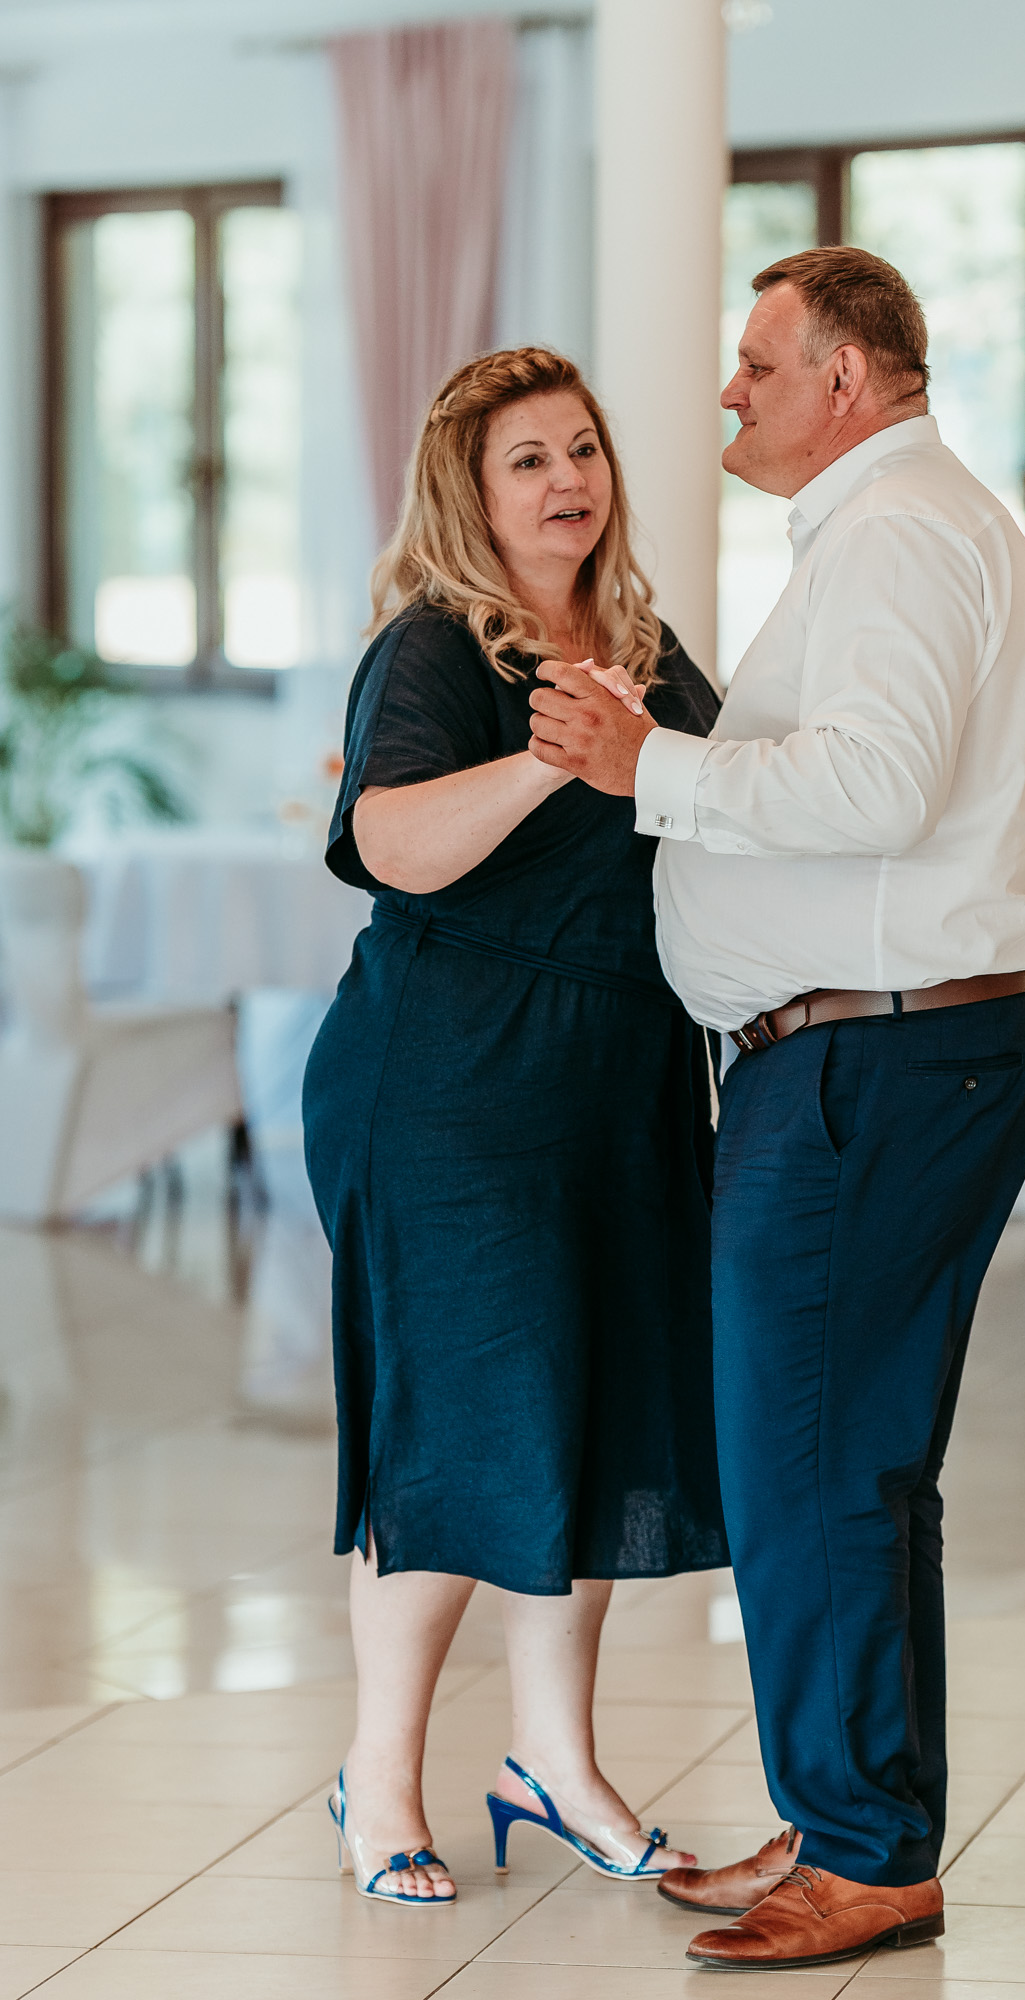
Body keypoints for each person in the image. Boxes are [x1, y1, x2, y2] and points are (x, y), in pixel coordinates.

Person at [528, 246, 1025, 1969]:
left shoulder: (897, 528)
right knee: (856, 1464)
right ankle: (853, 1816)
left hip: (872, 1062)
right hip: (890, 1052)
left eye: (757, 364)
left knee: (815, 1466)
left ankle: (863, 1851)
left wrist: (648, 766)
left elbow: (876, 785)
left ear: (845, 379)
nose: (727, 391)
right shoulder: (901, 521)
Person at [304, 346, 727, 1908]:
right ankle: (380, 1778)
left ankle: (555, 1762)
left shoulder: (652, 652)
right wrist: (547, 762)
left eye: (582, 451)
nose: (567, 482)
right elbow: (387, 842)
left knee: (587, 1414)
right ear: (471, 496)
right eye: (529, 460)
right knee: (453, 1424)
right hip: (449, 1086)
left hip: (616, 1082)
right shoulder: (434, 646)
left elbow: (722, 817)